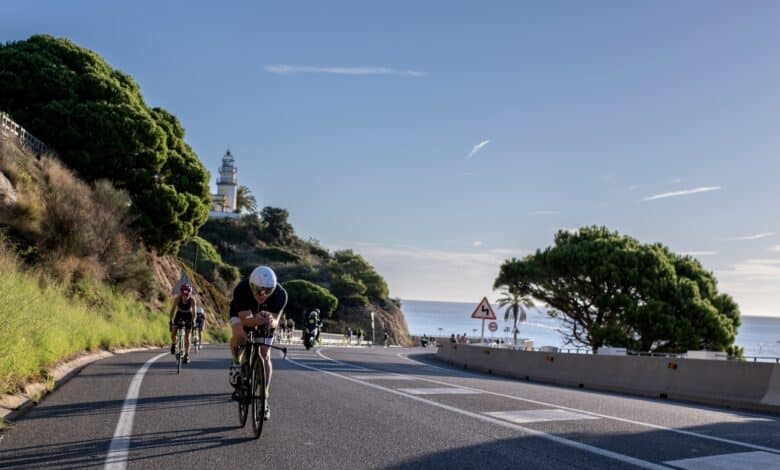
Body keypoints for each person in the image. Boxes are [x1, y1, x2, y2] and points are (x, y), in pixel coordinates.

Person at [228, 266, 288, 420]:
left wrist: (270, 320)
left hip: (264, 319)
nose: (263, 295)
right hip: (243, 314)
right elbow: (245, 320)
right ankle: (236, 363)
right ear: (251, 286)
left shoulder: (280, 295)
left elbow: (275, 321)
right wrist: (255, 320)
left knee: (264, 354)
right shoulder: (242, 290)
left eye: (268, 291)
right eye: (259, 290)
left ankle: (264, 397)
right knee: (241, 336)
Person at [169, 284, 197, 363]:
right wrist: (171, 320)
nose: (185, 296)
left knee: (187, 337)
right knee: (173, 333)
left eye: (187, 295)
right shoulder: (177, 299)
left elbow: (194, 313)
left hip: (188, 315)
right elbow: (172, 310)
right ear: (181, 293)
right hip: (179, 314)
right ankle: (174, 344)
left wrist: (194, 321)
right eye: (184, 295)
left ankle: (186, 355)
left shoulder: (192, 300)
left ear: (190, 294)